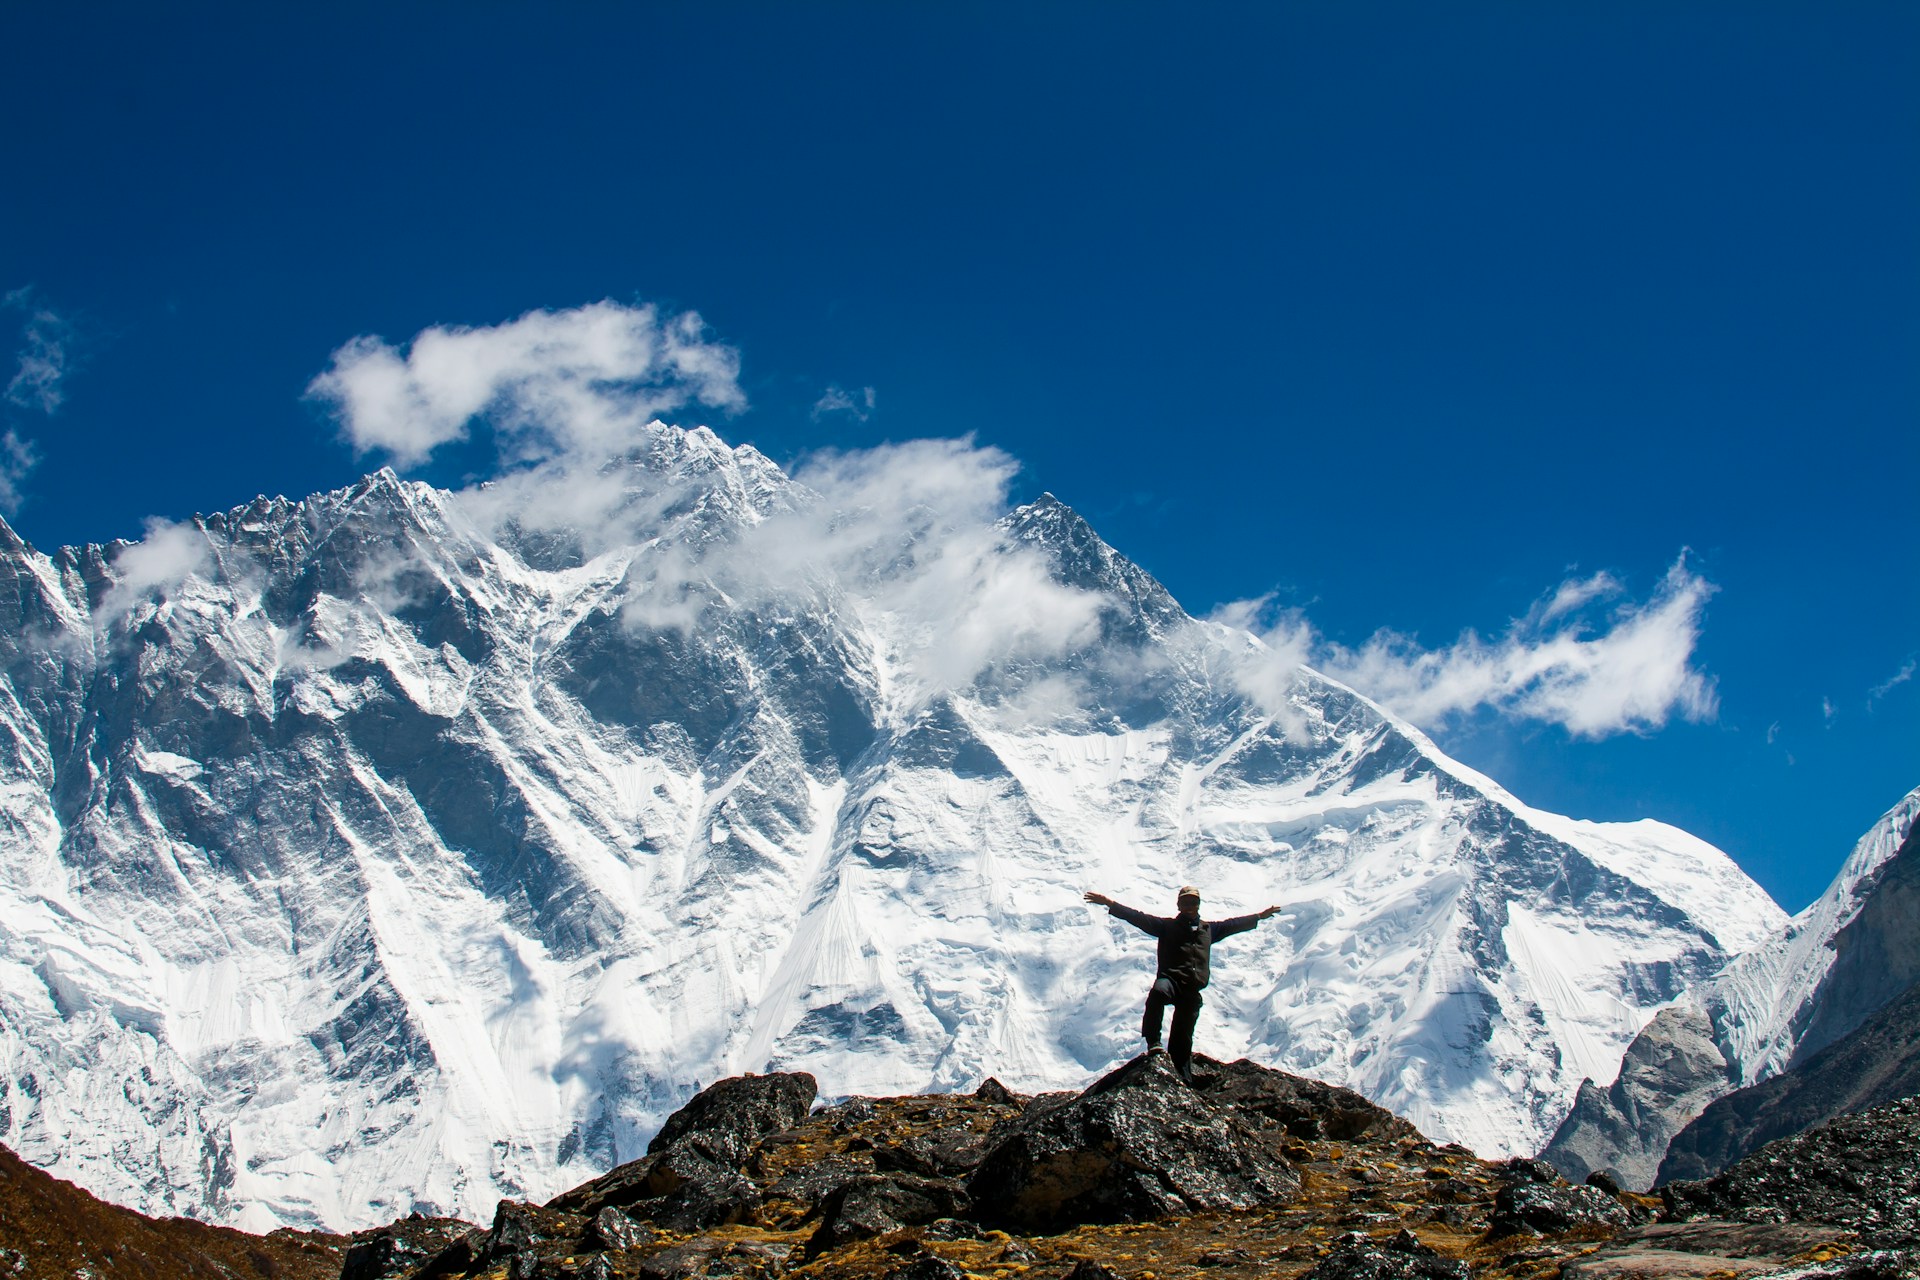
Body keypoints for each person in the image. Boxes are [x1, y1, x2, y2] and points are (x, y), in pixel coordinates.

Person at [1083, 885, 1281, 1084]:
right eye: (1185, 902)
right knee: (1158, 993)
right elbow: (1138, 917)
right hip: (1170, 980)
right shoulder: (1166, 926)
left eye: (1193, 902)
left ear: (1198, 904)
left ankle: (1184, 1079)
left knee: (1183, 1037)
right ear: (1178, 905)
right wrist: (1110, 904)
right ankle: (1153, 1042)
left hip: (1191, 989)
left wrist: (1258, 917)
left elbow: (1232, 925)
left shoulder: (1209, 929)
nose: (1189, 906)